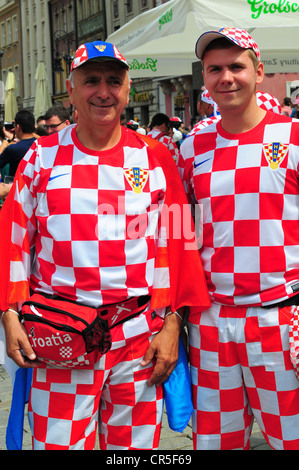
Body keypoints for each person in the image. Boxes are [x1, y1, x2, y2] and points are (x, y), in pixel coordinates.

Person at [0, 40, 209, 450]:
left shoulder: (154, 158)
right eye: (91, 80)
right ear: (72, 90)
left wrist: (173, 323)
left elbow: (178, 242)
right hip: (60, 338)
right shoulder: (41, 157)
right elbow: (13, 240)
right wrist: (9, 312)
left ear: (128, 89)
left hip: (138, 340)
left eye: (114, 81)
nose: (103, 90)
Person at [179, 26, 299, 450]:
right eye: (214, 69)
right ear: (205, 79)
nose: (225, 77)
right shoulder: (192, 147)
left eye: (236, 66)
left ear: (259, 71)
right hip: (211, 323)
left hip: (280, 320)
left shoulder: (293, 138)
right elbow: (179, 229)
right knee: (215, 442)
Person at [0, 110, 37, 177]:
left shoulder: (13, 149)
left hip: (18, 185)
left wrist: (7, 139)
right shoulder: (42, 144)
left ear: (17, 127)